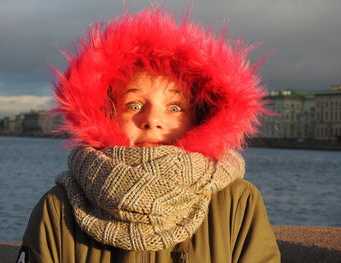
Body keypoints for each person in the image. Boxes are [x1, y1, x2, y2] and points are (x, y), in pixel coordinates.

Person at [17, 6, 281, 263]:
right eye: (134, 105)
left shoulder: (238, 202)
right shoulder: (58, 207)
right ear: (105, 114)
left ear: (199, 118)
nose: (153, 120)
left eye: (175, 107)